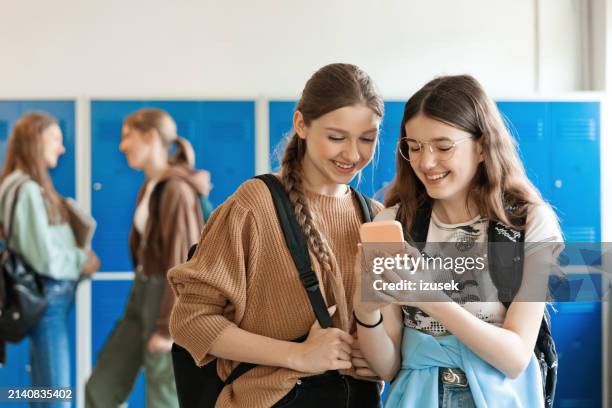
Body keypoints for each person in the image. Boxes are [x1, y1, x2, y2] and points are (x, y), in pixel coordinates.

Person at [168, 63, 385, 408]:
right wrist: (298, 355)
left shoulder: (375, 217)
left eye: (367, 139)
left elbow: (392, 335)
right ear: (301, 124)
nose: (352, 154)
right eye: (336, 137)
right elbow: (192, 320)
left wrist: (374, 356)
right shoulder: (253, 206)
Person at [353, 75, 564, 407]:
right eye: (415, 146)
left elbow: (514, 357)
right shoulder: (393, 224)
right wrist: (365, 311)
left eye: (443, 146)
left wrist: (429, 297)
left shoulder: (529, 225)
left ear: (481, 146)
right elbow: (388, 367)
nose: (425, 162)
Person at [85, 108, 211, 408]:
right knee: (100, 388)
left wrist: (168, 328)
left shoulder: (176, 190)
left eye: (128, 136)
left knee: (162, 392)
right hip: (142, 291)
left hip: (166, 297)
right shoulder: (151, 186)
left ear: (151, 137)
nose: (121, 145)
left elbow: (180, 264)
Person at [0, 112, 100, 408]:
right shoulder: (28, 189)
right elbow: (45, 258)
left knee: (42, 391)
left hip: (39, 295)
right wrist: (82, 259)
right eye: (55, 139)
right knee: (57, 395)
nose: (62, 147)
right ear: (35, 140)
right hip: (49, 297)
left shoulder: (11, 183)